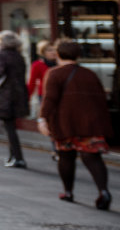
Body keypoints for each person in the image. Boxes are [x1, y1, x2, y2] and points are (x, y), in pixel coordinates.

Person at [40, 39, 112, 210]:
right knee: (93, 158)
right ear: (78, 55)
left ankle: (68, 192)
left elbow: (49, 99)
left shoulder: (54, 73)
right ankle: (103, 191)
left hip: (66, 124)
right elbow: (101, 100)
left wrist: (42, 119)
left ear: (57, 54)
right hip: (90, 124)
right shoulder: (89, 74)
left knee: (66, 157)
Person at [0, 30, 29, 169]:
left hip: (7, 97)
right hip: (19, 95)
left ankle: (18, 158)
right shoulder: (18, 56)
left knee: (9, 128)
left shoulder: (2, 56)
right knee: (10, 127)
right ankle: (13, 156)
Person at [27, 41, 57, 111]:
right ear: (43, 52)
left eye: (55, 50)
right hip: (44, 94)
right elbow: (32, 82)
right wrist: (28, 98)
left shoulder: (61, 63)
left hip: (60, 93)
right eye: (49, 50)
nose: (53, 52)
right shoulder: (37, 65)